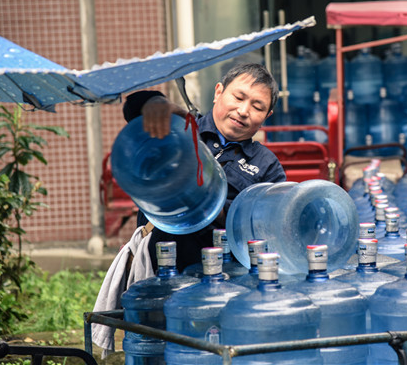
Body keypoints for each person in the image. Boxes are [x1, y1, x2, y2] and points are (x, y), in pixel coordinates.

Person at [122, 63, 286, 272]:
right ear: (218, 92)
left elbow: (265, 225)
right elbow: (133, 109)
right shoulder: (179, 129)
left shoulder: (267, 165)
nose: (244, 111)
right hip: (159, 270)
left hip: (223, 279)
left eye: (257, 107)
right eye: (238, 97)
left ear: (267, 116)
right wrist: (159, 103)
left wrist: (208, 200)